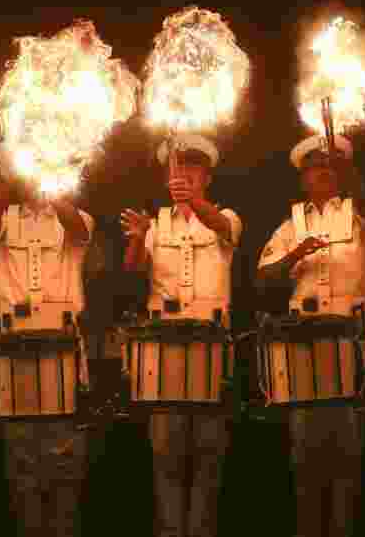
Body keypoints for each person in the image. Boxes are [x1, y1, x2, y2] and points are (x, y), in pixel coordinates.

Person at [255, 134, 365, 537]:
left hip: (350, 347)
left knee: (348, 462)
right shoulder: (290, 225)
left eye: (330, 166)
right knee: (305, 460)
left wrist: (351, 174)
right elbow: (263, 276)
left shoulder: (359, 216)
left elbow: (364, 201)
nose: (322, 173)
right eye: (314, 167)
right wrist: (295, 254)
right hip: (303, 350)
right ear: (303, 177)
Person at [120, 134, 242, 537]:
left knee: (209, 456)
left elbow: (222, 227)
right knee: (165, 456)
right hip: (164, 349)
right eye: (177, 168)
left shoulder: (226, 215)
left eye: (192, 168)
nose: (184, 175)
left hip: (210, 348)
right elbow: (133, 271)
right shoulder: (156, 224)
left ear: (206, 176)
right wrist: (138, 238)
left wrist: (193, 203)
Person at [0, 171, 94, 537]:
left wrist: (54, 178)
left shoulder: (74, 215)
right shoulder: (6, 216)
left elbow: (80, 230)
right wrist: (8, 178)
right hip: (14, 345)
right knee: (21, 458)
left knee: (65, 461)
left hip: (62, 345)